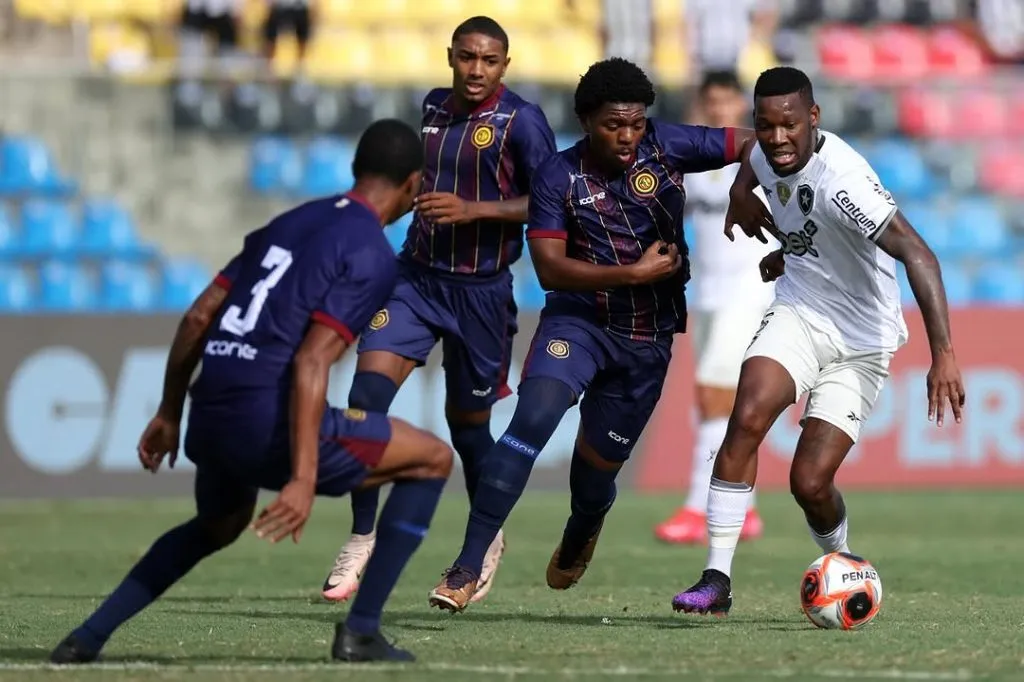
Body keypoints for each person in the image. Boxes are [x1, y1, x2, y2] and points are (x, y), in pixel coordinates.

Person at [49, 119, 451, 665]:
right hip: (266, 417)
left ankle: (87, 637)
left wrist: (169, 411)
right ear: (412, 184)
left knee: (219, 523)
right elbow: (312, 359)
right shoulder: (371, 253)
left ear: (356, 168)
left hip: (209, 409)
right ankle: (361, 632)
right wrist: (303, 479)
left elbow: (199, 316)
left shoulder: (290, 221)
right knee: (431, 459)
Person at [427, 57, 755, 612]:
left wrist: (743, 188)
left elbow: (754, 142)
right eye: (613, 125)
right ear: (586, 121)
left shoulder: (668, 145)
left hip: (647, 339)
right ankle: (466, 565)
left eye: (636, 123)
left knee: (594, 474)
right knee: (529, 424)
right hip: (577, 323)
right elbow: (550, 269)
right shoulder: (557, 175)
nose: (627, 136)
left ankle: (585, 524)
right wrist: (632, 274)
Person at [672, 66, 966, 616]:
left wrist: (943, 355)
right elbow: (751, 158)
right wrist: (740, 192)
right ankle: (716, 579)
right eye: (765, 125)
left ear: (814, 118)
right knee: (747, 415)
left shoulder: (844, 181)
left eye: (789, 125)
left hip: (863, 340)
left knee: (809, 483)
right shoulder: (766, 150)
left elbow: (919, 254)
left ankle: (843, 560)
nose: (777, 138)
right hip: (800, 311)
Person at [321, 16, 557, 605]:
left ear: (505, 65)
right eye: (467, 57)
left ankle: (484, 540)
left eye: (489, 61)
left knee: (468, 431)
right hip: (416, 281)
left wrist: (474, 211)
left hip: (480, 294)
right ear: (450, 56)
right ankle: (361, 536)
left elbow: (553, 200)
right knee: (364, 400)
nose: (477, 70)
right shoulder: (431, 107)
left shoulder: (522, 121)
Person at [654, 70, 771, 545]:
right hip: (707, 293)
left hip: (747, 292)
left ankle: (697, 508)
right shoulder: (697, 161)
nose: (721, 109)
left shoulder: (762, 155)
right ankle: (746, 510)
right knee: (720, 403)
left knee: (714, 398)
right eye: (712, 101)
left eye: (728, 100)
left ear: (742, 104)